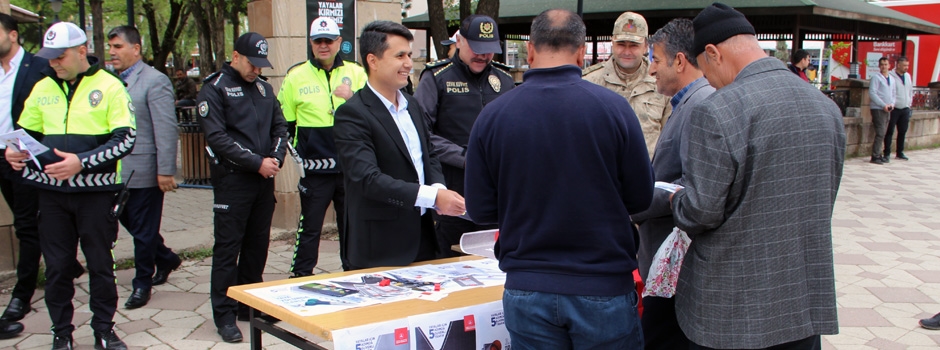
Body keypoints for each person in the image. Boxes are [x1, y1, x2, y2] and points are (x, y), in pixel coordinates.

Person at [465, 9, 653, 349]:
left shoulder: (493, 116)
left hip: (527, 286)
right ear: (582, 53)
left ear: (531, 51)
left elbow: (479, 208)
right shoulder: (613, 109)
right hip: (601, 285)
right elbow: (640, 198)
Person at [669, 3, 844, 349]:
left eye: (704, 70)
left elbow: (701, 211)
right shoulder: (825, 107)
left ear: (712, 53)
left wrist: (677, 200)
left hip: (731, 309)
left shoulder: (718, 110)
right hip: (802, 303)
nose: (708, 80)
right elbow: (825, 195)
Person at [6, 21, 136, 350]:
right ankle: (61, 333)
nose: (54, 63)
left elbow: (126, 140)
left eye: (60, 56)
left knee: (100, 266)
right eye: (49, 57)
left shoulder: (110, 85)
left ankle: (104, 330)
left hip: (95, 194)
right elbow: (26, 133)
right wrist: (14, 151)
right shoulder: (43, 85)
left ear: (82, 51)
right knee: (58, 268)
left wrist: (82, 162)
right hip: (50, 194)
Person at [333, 20, 465, 270]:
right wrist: (432, 196)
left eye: (410, 55)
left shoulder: (412, 105)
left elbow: (430, 154)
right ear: (373, 61)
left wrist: (438, 189)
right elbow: (367, 179)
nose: (408, 64)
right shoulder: (353, 114)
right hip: (380, 246)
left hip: (424, 238)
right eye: (400, 55)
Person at [197, 32, 288, 343]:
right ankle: (223, 314)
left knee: (256, 247)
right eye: (252, 63)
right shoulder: (215, 89)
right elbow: (218, 139)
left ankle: (248, 304)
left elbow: (280, 127)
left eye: (261, 64)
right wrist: (256, 162)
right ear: (235, 57)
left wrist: (275, 158)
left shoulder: (264, 89)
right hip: (233, 182)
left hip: (263, 181)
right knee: (227, 249)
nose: (257, 70)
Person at [631, 18, 714, 350]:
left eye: (654, 59)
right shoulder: (686, 103)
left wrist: (631, 197)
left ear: (679, 61)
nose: (650, 70)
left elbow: (694, 185)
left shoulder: (701, 106)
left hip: (676, 267)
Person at [414, 14, 515, 258]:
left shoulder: (505, 80)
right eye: (476, 48)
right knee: (448, 259)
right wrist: (465, 157)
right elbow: (421, 134)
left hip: (496, 193)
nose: (483, 55)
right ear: (459, 41)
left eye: (489, 50)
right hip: (453, 190)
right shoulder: (437, 78)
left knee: (494, 260)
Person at [278, 17, 367, 276]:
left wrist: (352, 99)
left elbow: (373, 118)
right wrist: (297, 158)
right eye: (318, 41)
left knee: (351, 227)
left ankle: (353, 274)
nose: (324, 46)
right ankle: (300, 276)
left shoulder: (357, 73)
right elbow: (285, 124)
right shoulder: (295, 76)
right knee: (310, 229)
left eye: (329, 40)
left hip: (350, 169)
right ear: (311, 43)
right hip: (315, 171)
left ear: (339, 42)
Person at [107, 25, 182, 310]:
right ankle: (165, 258)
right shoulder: (109, 81)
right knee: (133, 224)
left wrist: (165, 171)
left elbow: (165, 128)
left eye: (118, 46)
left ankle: (142, 283)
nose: (112, 52)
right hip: (115, 172)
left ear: (135, 49)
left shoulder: (154, 81)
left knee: (143, 230)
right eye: (111, 47)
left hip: (146, 172)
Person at [583, 11, 671, 158]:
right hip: (604, 174)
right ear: (612, 42)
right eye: (621, 44)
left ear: (645, 47)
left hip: (647, 174)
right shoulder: (590, 82)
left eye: (634, 45)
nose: (627, 51)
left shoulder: (662, 83)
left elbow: (668, 140)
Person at [869, 56, 895, 165]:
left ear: (889, 66)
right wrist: (883, 104)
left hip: (888, 108)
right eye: (882, 64)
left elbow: (893, 93)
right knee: (880, 132)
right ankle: (875, 155)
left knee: (884, 132)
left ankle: (879, 153)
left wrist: (892, 104)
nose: (884, 66)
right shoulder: (876, 78)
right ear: (879, 66)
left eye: (886, 64)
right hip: (878, 108)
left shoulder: (892, 79)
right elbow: (872, 93)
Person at [886, 56, 912, 161]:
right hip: (894, 108)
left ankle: (899, 152)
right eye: (904, 65)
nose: (906, 67)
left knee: (902, 131)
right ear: (898, 65)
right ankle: (887, 152)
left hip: (905, 107)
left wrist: (909, 104)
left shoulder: (908, 76)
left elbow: (910, 90)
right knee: (890, 131)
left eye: (908, 65)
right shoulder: (891, 76)